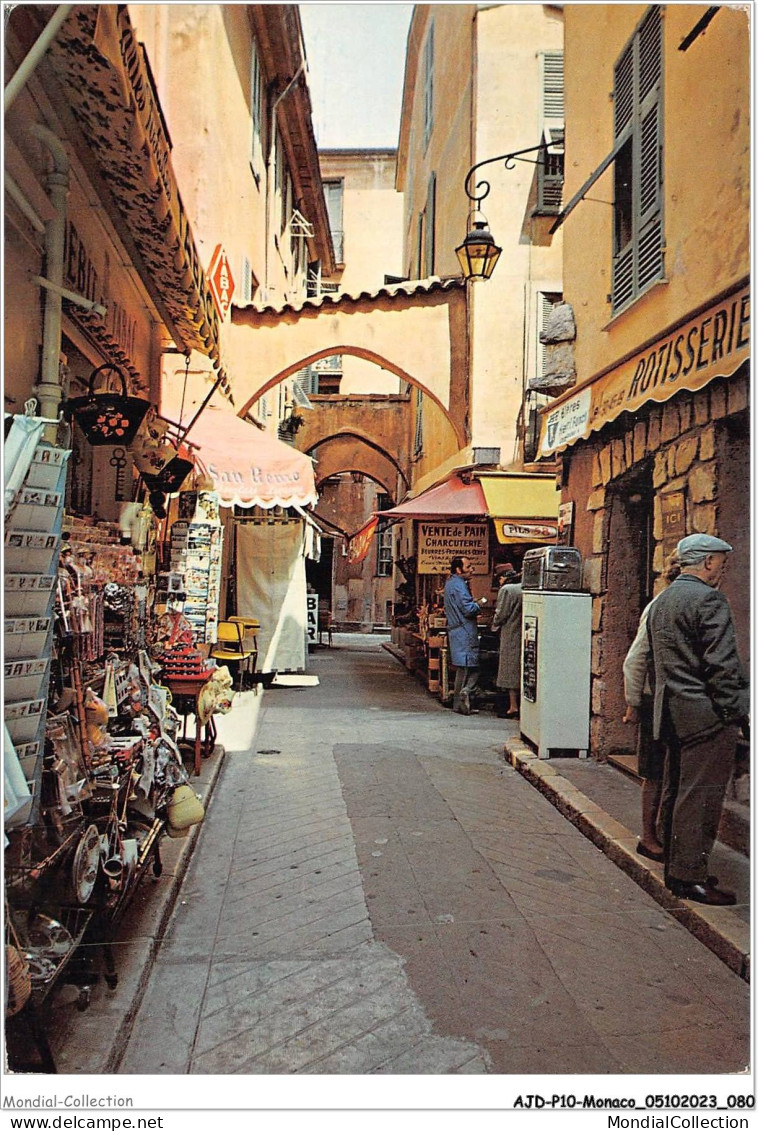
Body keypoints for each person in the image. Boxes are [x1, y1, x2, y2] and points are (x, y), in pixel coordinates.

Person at [647, 533, 749, 905]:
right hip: (705, 716)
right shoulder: (709, 599)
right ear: (707, 562)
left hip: (672, 713)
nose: (722, 568)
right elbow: (722, 666)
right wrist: (734, 712)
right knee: (701, 799)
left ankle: (678, 869)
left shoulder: (664, 600)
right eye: (721, 561)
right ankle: (690, 877)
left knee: (678, 792)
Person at [622, 554, 681, 862]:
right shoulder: (658, 607)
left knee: (660, 771)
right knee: (655, 770)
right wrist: (633, 702)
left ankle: (657, 832)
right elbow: (635, 660)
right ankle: (649, 835)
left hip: (666, 700)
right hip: (655, 701)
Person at [443, 556, 486, 715]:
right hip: (465, 631)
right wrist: (479, 604)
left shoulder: (451, 584)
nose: (471, 569)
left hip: (457, 630)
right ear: (458, 569)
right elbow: (468, 609)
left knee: (462, 668)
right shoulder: (459, 585)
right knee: (472, 666)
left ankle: (459, 704)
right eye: (468, 566)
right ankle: (466, 691)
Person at [491, 565, 522, 719]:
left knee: (510, 669)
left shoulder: (508, 590)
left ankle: (512, 706)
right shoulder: (526, 588)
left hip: (511, 633)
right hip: (525, 633)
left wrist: (494, 622)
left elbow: (501, 615)